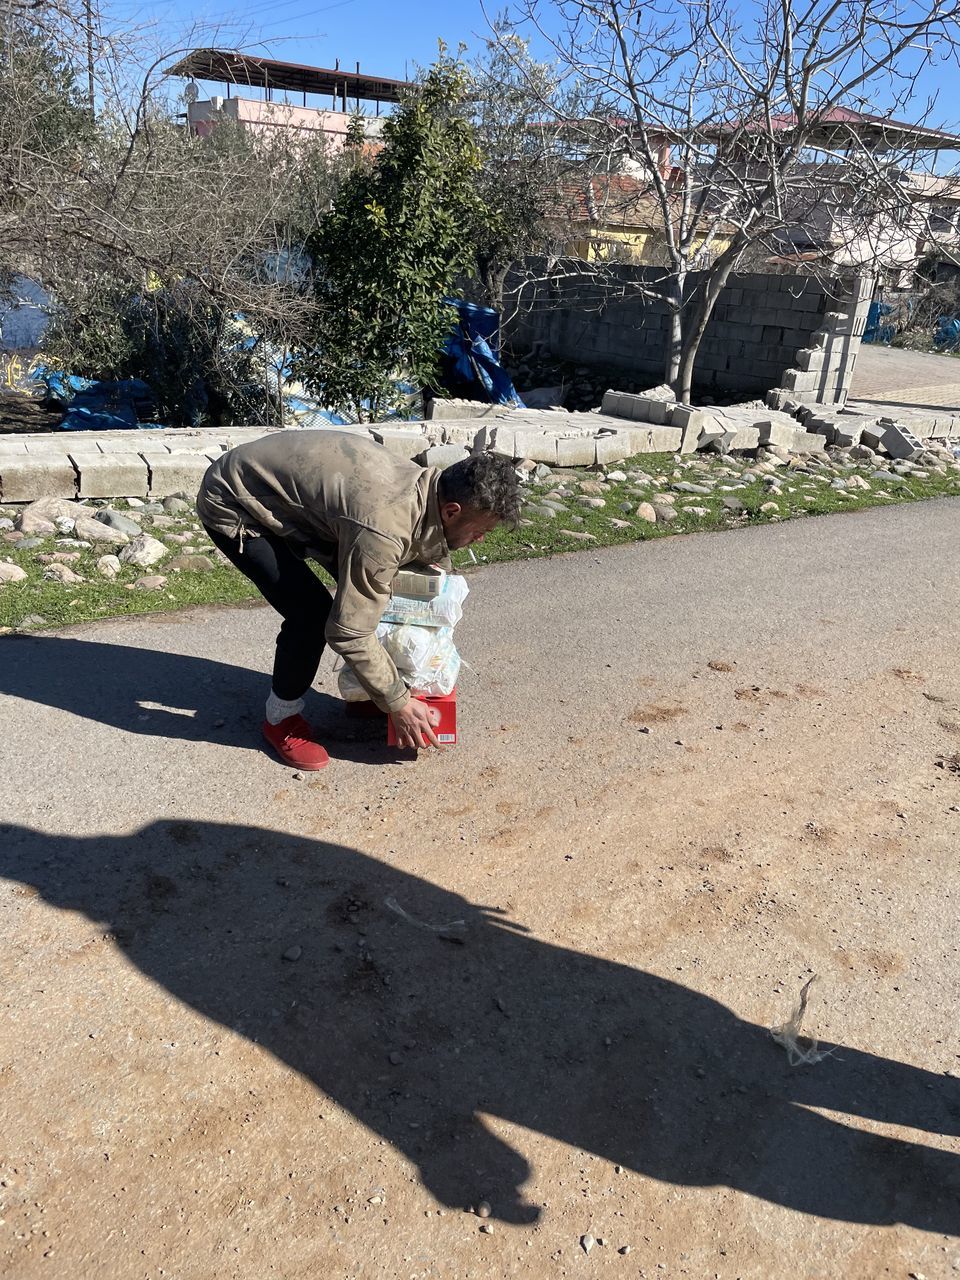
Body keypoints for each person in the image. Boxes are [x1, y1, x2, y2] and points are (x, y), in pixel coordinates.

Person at [196, 430, 520, 769]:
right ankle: (281, 718)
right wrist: (398, 702)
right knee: (312, 614)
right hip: (236, 500)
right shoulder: (384, 526)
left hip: (296, 494)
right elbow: (348, 632)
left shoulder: (426, 487)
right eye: (481, 530)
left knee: (378, 594)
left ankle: (368, 691)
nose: (480, 539)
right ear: (451, 511)